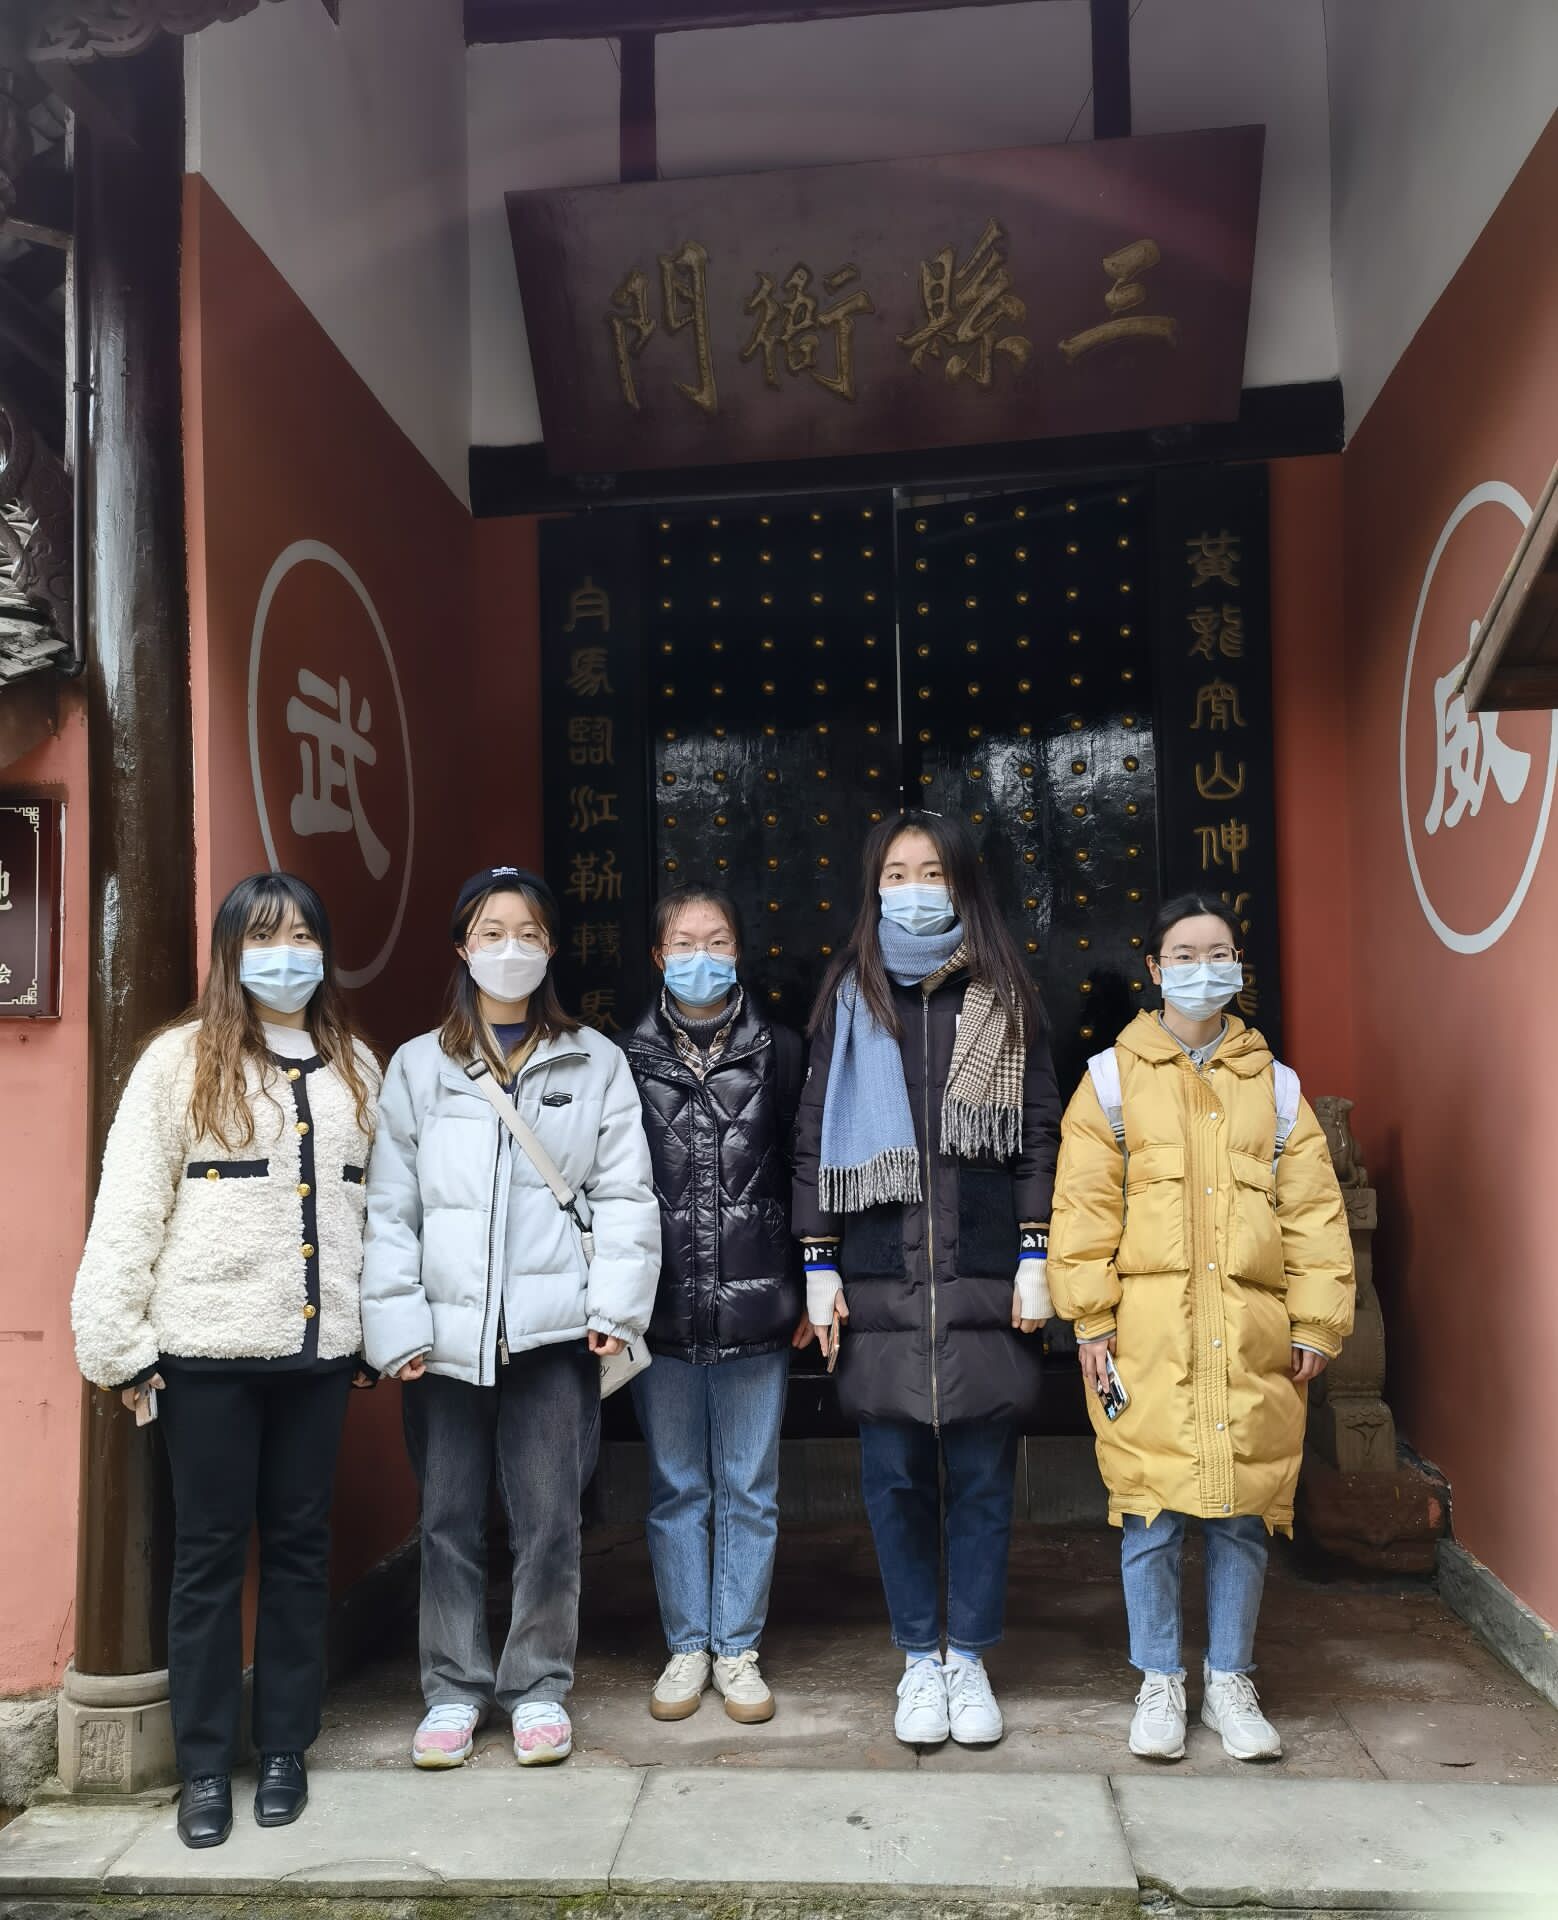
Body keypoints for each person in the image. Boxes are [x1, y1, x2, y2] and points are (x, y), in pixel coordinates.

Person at [70, 873, 381, 1850]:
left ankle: (284, 1745)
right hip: (204, 1355)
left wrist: (371, 1330)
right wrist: (116, 1345)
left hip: (317, 1356)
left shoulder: (354, 1067)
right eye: (264, 938)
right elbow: (130, 1207)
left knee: (299, 1549)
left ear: (324, 951)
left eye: (302, 937)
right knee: (207, 1556)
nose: (285, 955)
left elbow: (374, 1210)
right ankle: (205, 1764)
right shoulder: (178, 1062)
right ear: (231, 953)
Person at [361, 865, 659, 1771]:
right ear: (462, 947)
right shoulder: (418, 1066)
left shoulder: (594, 1060)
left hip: (555, 1333)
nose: (510, 949)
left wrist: (615, 1308)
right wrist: (397, 1326)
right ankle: (453, 1689)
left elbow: (625, 1194)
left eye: (527, 933)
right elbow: (391, 1208)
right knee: (447, 1519)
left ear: (552, 947)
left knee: (549, 1522)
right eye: (491, 933)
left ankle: (537, 1687)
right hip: (445, 1339)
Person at [1047, 893, 1354, 1764]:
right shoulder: (1110, 1080)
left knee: (1242, 1514)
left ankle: (1229, 1679)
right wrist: (1090, 1319)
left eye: (1218, 953)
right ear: (1154, 968)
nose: (1201, 969)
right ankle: (1159, 1680)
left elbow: (1314, 1216)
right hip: (1146, 1338)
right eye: (1183, 955)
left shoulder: (1277, 1087)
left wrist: (1317, 1323)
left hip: (1251, 1334)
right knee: (1149, 1512)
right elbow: (1083, 1210)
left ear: (1239, 967)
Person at [792, 811, 1059, 1750]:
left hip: (984, 1273)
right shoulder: (850, 997)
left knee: (983, 1482)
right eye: (897, 873)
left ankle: (969, 1658)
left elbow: (1036, 1132)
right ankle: (918, 1657)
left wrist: (1037, 1250)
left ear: (963, 883)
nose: (914, 888)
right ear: (874, 888)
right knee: (894, 1481)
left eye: (932, 871)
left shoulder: (1006, 994)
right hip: (881, 1275)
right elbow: (813, 1136)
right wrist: (817, 1260)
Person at [620, 883, 808, 1726]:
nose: (702, 956)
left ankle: (737, 1648)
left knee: (749, 1487)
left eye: (718, 940)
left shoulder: (782, 1051)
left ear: (739, 952)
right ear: (659, 957)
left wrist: (810, 1282)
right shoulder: (623, 1059)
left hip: (758, 1305)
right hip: (660, 1308)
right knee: (675, 1487)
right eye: (685, 943)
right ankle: (686, 1645)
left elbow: (806, 1171)